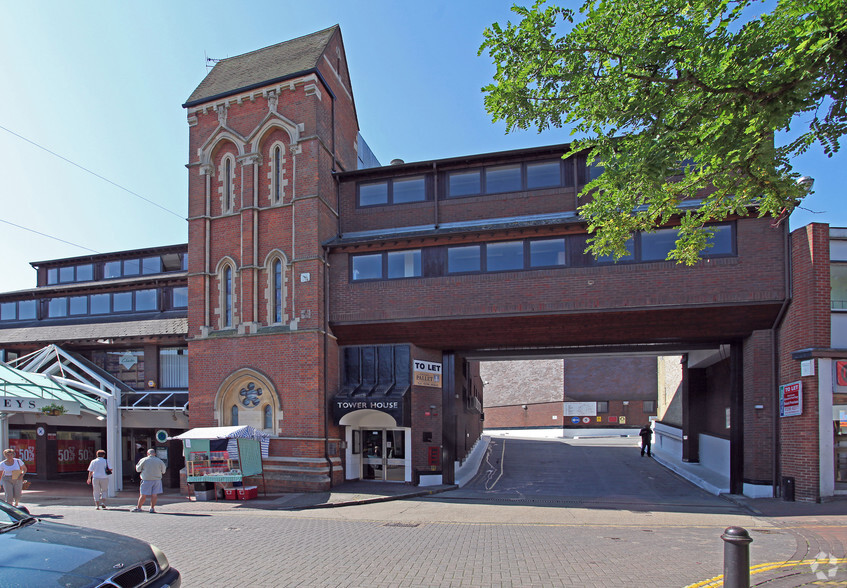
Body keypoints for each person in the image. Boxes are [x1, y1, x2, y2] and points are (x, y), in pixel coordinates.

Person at [132, 448, 166, 513]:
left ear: (148, 454)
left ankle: (139, 507)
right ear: (155, 454)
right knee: (154, 495)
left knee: (143, 494)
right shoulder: (159, 461)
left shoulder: (143, 460)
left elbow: (138, 469)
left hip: (146, 479)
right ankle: (152, 508)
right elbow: (163, 471)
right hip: (157, 480)